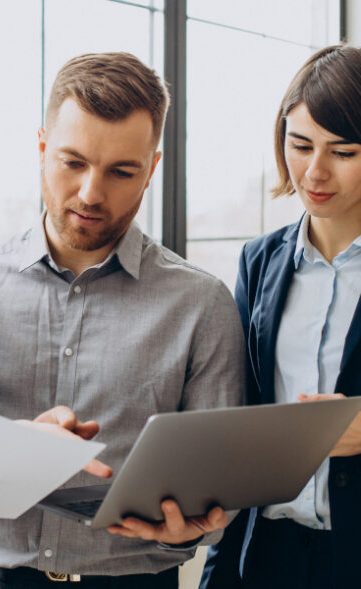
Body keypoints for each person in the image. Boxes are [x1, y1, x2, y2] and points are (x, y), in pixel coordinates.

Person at [0, 52, 245, 588]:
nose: (92, 193)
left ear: (152, 169)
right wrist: (9, 450)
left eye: (121, 171)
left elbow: (214, 501)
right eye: (73, 162)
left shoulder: (202, 303)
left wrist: (185, 531)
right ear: (42, 147)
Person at [199, 45, 361, 589]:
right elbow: (244, 410)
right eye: (300, 145)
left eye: (343, 151)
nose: (314, 171)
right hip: (266, 554)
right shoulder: (259, 259)